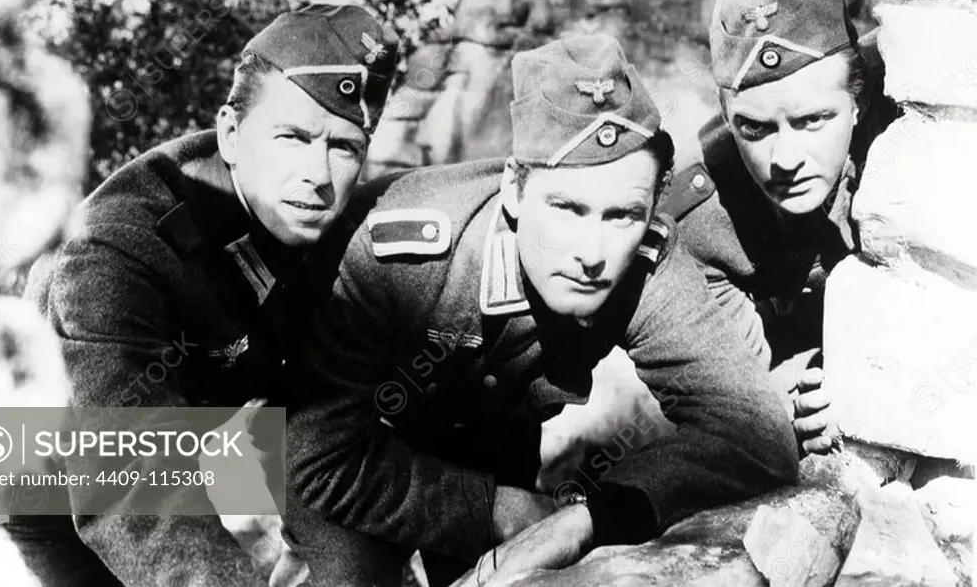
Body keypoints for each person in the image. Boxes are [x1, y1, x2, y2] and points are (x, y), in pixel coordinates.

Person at [283, 33, 799, 586]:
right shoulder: (397, 250)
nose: (592, 253)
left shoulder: (649, 261)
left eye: (621, 215)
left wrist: (588, 519)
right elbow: (314, 457)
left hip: (490, 450)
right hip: (352, 454)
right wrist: (496, 510)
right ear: (514, 188)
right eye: (567, 208)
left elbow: (757, 432)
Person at [1, 4, 400, 586]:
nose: (318, 173)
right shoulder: (113, 251)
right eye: (293, 137)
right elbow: (128, 480)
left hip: (200, 445)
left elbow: (329, 416)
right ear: (231, 134)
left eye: (344, 147)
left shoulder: (304, 216)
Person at [661, 0, 898, 455]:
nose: (785, 160)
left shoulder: (908, 125)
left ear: (859, 99)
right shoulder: (698, 212)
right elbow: (737, 394)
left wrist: (867, 373)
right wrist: (788, 403)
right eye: (756, 129)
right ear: (726, 116)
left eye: (814, 120)